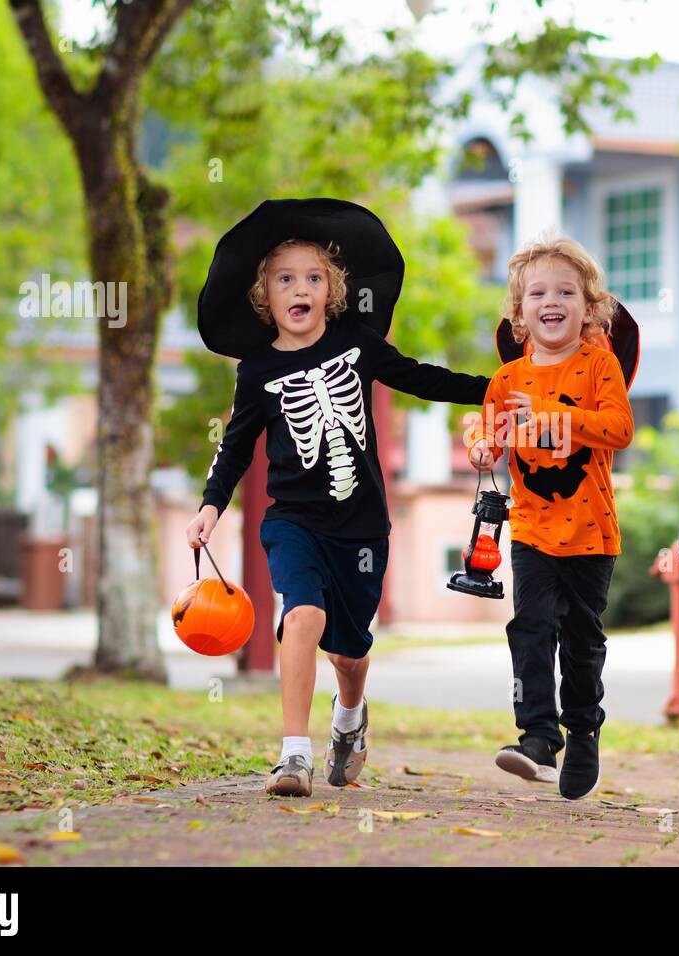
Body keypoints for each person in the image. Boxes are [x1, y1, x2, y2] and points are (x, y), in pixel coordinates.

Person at [188, 199, 489, 798]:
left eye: (313, 277)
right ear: (264, 299)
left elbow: (422, 377)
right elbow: (236, 447)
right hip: (293, 521)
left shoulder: (358, 342)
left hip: (362, 529)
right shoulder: (257, 371)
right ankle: (292, 755)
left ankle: (349, 718)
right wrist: (209, 505)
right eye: (284, 279)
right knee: (303, 616)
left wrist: (495, 388)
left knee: (350, 653)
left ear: (332, 291)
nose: (300, 288)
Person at [465, 236, 637, 800]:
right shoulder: (507, 380)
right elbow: (485, 435)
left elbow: (618, 429)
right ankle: (538, 734)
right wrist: (484, 449)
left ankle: (583, 729)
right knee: (530, 628)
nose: (551, 300)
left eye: (566, 291)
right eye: (537, 292)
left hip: (592, 532)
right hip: (533, 528)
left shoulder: (598, 366)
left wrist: (549, 415)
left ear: (589, 307)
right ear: (520, 313)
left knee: (581, 640)